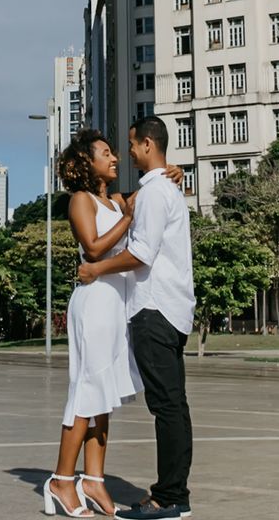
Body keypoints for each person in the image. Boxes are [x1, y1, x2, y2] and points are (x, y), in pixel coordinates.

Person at [78, 117, 195, 520]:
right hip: (171, 309)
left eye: (130, 145)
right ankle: (173, 492)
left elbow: (141, 253)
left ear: (147, 145)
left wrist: (96, 270)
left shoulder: (154, 193)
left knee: (166, 405)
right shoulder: (161, 189)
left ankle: (170, 498)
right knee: (173, 405)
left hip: (154, 308)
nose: (126, 152)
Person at [43, 129, 143, 517]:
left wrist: (173, 174)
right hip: (94, 304)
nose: (115, 158)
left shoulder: (116, 201)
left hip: (116, 304)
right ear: (87, 162)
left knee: (105, 397)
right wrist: (129, 216)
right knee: (87, 392)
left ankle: (94, 480)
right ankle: (61, 480)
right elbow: (94, 248)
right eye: (105, 153)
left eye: (115, 152)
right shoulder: (81, 201)